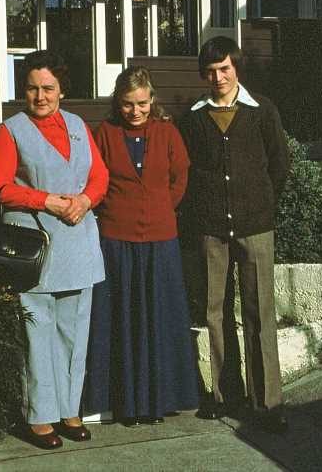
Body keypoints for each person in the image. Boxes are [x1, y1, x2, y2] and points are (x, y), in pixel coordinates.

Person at [0, 50, 108, 449]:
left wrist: (85, 200)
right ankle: (40, 416)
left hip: (78, 244)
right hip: (34, 249)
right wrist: (47, 201)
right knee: (37, 334)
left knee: (74, 333)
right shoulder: (11, 130)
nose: (40, 96)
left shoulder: (77, 125)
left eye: (48, 88)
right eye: (32, 88)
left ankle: (70, 410)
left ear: (61, 90)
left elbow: (99, 175)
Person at [178, 36, 291, 433]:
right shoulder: (194, 118)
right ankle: (226, 395)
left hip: (255, 226)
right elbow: (187, 172)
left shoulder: (261, 111)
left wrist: (261, 202)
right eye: (211, 71)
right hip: (211, 229)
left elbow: (279, 163)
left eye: (224, 68)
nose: (218, 77)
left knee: (260, 312)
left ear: (236, 68)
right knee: (215, 311)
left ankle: (268, 403)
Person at [84, 66, 199, 425]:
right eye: (127, 104)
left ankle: (160, 401)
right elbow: (95, 179)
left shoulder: (167, 133)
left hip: (161, 239)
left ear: (152, 100)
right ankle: (125, 405)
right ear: (117, 103)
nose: (135, 111)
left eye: (142, 103)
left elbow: (180, 178)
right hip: (116, 239)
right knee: (122, 319)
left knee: (160, 318)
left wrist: (160, 208)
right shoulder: (105, 134)